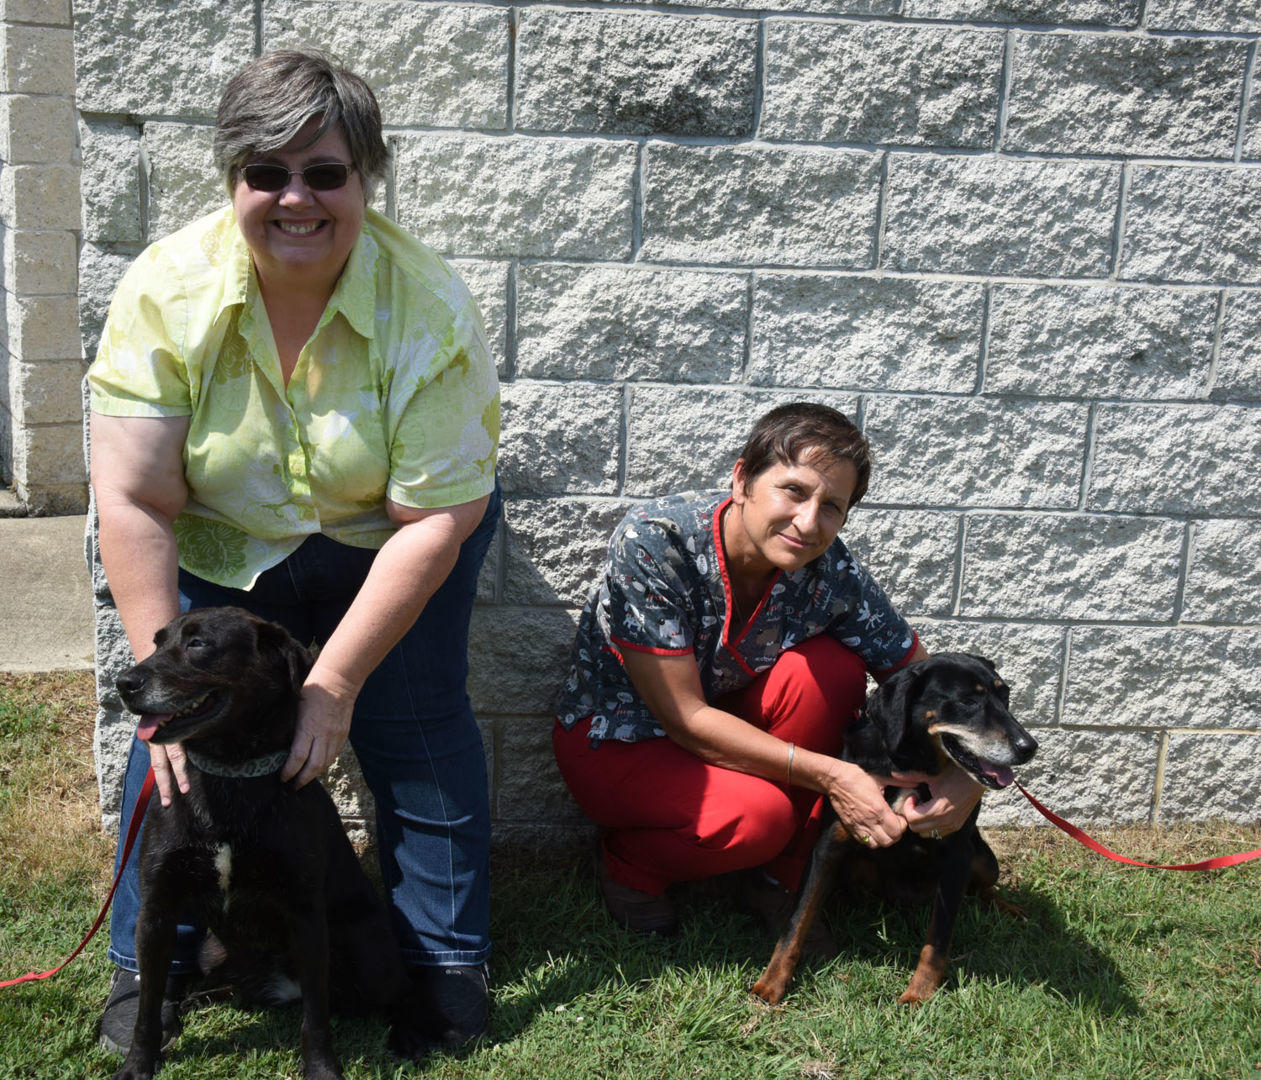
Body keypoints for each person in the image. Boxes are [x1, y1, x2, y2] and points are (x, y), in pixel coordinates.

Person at [88, 49, 500, 1055]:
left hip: (390, 534)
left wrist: (336, 681)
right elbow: (135, 498)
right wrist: (172, 683)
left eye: (326, 172)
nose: (296, 198)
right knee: (175, 752)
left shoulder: (430, 305)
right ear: (231, 179)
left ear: (367, 177)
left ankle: (444, 957)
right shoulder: (165, 291)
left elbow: (436, 519)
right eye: (266, 173)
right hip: (224, 545)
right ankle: (158, 962)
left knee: (416, 724)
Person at [553, 402, 982, 936]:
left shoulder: (830, 568)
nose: (809, 521)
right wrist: (834, 775)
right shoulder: (656, 541)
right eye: (795, 490)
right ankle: (630, 864)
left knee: (827, 669)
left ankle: (781, 879)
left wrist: (966, 778)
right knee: (759, 819)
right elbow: (685, 718)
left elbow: (921, 679)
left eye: (833, 506)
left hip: (725, 725)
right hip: (620, 738)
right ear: (741, 480)